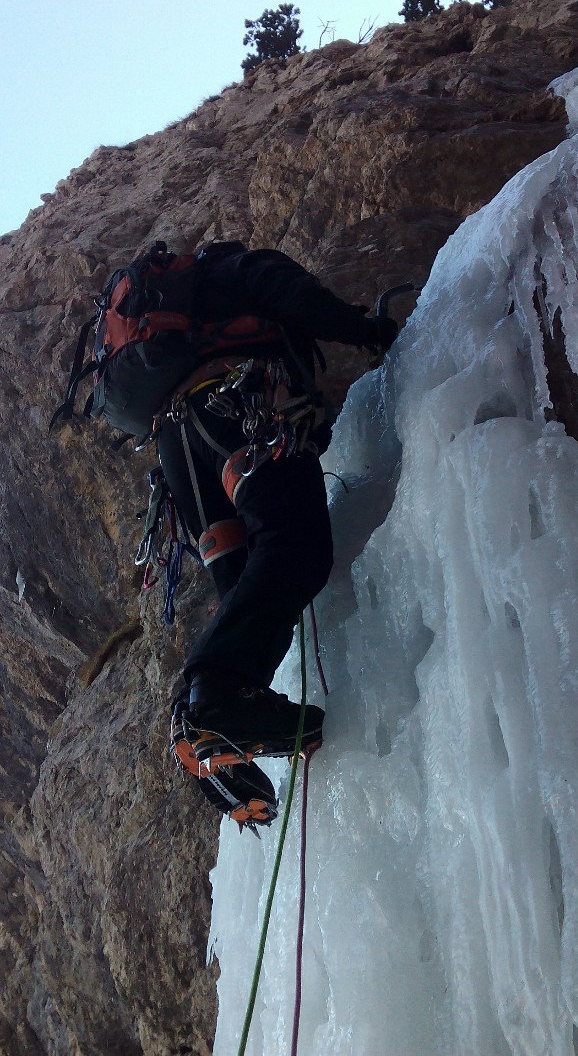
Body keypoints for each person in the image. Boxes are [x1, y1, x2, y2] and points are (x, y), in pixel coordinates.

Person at [150, 243, 398, 825]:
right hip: (240, 406)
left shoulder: (176, 325)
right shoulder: (239, 268)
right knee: (294, 547)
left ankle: (220, 733)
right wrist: (368, 331)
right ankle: (213, 708)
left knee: (249, 591)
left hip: (181, 456)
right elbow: (299, 298)